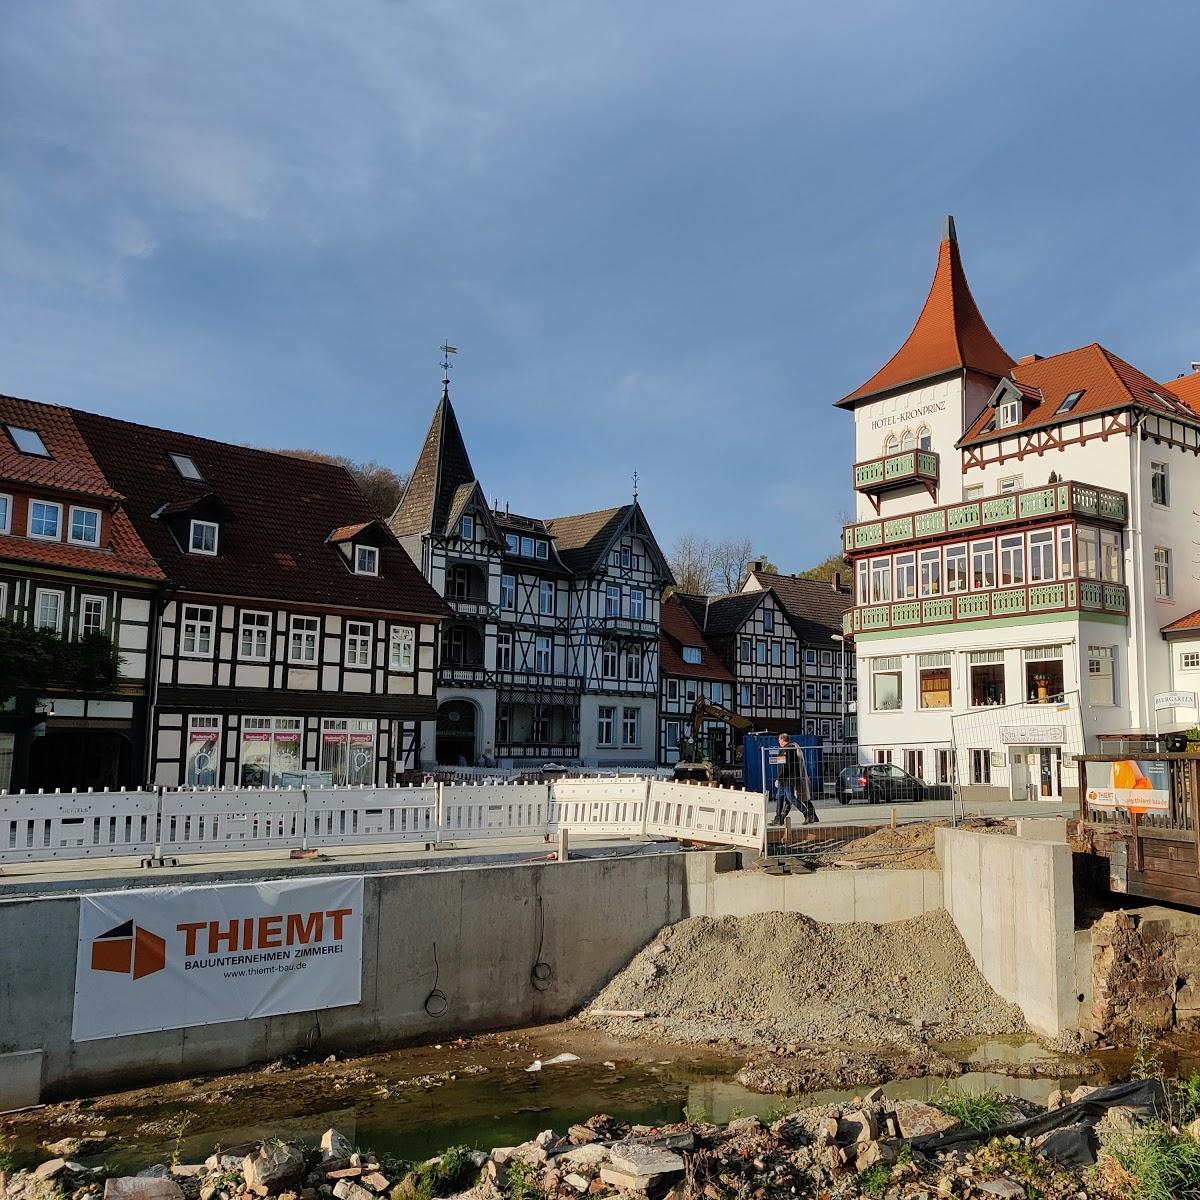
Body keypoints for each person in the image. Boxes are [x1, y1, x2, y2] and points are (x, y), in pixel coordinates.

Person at [773, 733, 819, 824]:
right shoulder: (785, 749)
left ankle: (806, 813)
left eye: (779, 740)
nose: (778, 741)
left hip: (788, 779)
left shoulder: (789, 749)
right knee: (780, 797)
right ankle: (778, 818)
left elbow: (785, 766)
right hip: (784, 779)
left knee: (791, 798)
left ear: (783, 740)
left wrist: (779, 778)